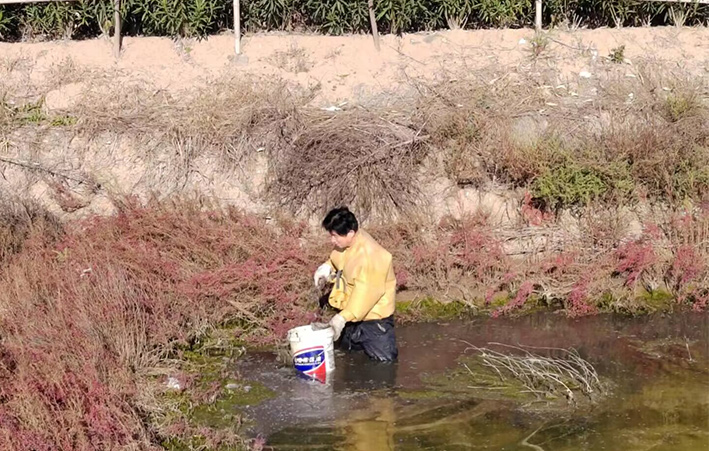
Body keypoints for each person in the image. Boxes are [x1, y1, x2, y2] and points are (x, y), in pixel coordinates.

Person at [313, 207, 398, 362]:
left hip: (374, 322)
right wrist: (327, 266)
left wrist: (342, 318)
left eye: (335, 236)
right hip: (350, 315)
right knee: (349, 360)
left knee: (383, 367)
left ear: (351, 233)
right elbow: (339, 258)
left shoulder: (370, 258)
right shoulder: (347, 243)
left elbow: (365, 296)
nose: (332, 241)